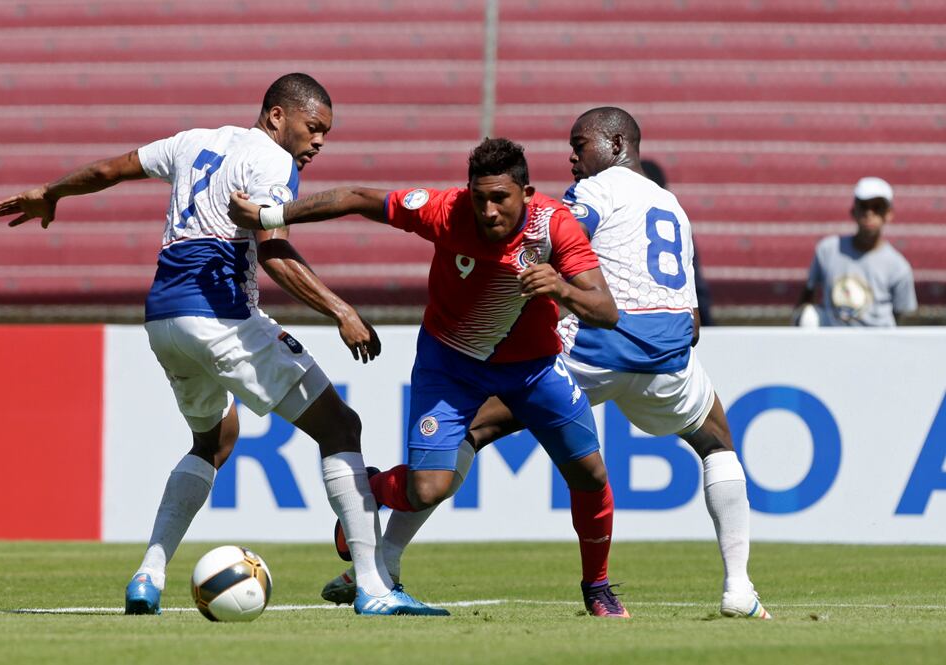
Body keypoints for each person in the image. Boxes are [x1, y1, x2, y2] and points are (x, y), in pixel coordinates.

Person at [0, 73, 446, 617]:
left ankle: (148, 575)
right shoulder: (272, 161)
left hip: (164, 320)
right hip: (221, 318)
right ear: (277, 116)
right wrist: (341, 311)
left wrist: (51, 192)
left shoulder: (191, 141)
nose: (319, 141)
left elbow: (110, 169)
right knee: (341, 427)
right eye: (313, 127)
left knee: (214, 440)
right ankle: (373, 587)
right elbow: (273, 252)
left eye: (326, 132)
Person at [303, 108, 773, 620]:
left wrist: (554, 283)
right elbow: (693, 319)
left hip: (584, 351)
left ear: (616, 144)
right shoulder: (671, 205)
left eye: (580, 145)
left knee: (473, 436)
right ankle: (738, 587)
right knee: (716, 442)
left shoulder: (590, 194)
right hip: (667, 355)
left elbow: (552, 240)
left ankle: (383, 542)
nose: (572, 157)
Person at [229, 137, 631, 618]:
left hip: (534, 370)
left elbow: (606, 311)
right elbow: (357, 197)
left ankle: (597, 589)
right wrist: (270, 216)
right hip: (451, 366)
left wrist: (561, 288)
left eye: (500, 198)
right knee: (427, 489)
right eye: (479, 197)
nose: (488, 210)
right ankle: (372, 490)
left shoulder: (554, 225)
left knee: (590, 475)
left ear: (526, 194)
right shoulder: (444, 210)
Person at [795, 177, 917, 326]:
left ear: (889, 214)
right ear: (854, 211)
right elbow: (808, 294)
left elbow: (902, 315)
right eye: (864, 206)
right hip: (833, 337)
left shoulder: (899, 267)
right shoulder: (828, 250)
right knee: (808, 317)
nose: (869, 213)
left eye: (877, 207)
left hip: (877, 338)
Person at [640, 159, 715, 326]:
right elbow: (695, 284)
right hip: (676, 318)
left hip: (637, 316)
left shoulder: (626, 220)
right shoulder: (676, 219)